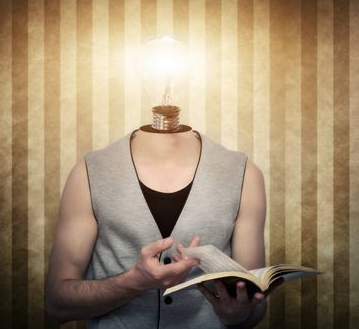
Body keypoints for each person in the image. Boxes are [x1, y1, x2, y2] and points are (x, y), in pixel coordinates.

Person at [45, 127, 267, 328]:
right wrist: (133, 282)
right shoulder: (88, 172)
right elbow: (57, 304)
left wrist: (236, 316)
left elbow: (255, 308)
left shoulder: (244, 174)